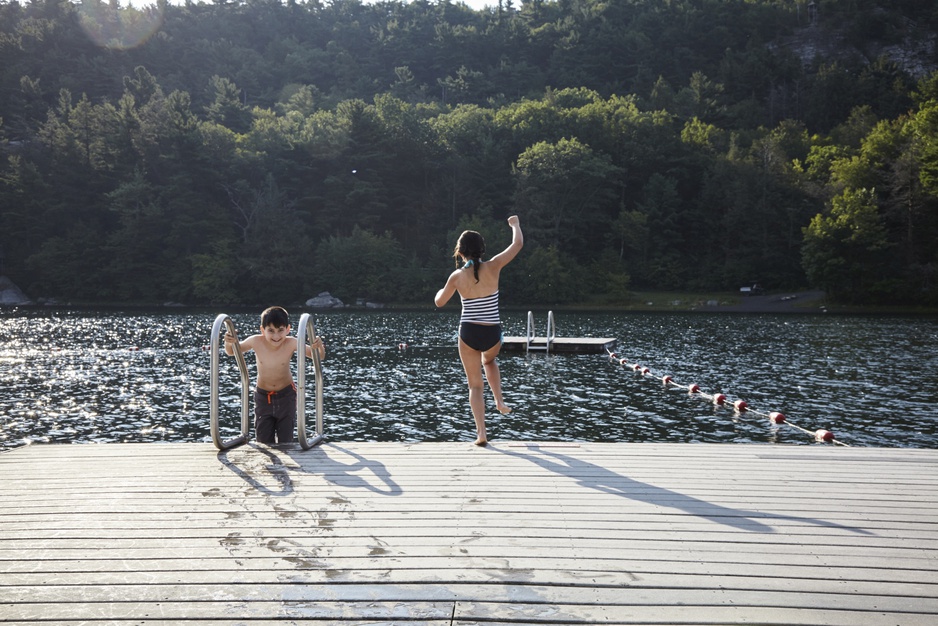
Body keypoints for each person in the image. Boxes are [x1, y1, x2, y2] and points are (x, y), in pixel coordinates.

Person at [435, 215, 523, 446]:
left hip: (468, 334)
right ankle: (499, 401)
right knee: (490, 361)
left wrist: (439, 291)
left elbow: (439, 302)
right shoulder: (493, 266)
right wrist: (514, 225)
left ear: (460, 252)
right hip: (492, 332)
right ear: (481, 249)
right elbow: (517, 245)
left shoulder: (456, 276)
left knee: (475, 385)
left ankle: (481, 434)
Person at [224, 306, 326, 444]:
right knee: (263, 438)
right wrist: (228, 342)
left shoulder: (292, 343)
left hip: (286, 395)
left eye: (280, 331)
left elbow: (318, 357)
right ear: (262, 330)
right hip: (263, 396)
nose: (276, 336)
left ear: (288, 329)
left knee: (285, 439)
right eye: (271, 331)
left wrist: (318, 346)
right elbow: (232, 351)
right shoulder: (256, 341)